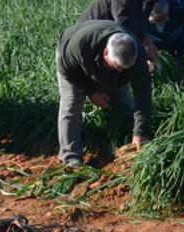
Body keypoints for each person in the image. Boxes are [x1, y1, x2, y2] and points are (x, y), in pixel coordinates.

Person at [56, 20, 153, 167]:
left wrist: (141, 133)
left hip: (103, 62)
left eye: (124, 69)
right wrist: (92, 92)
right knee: (72, 104)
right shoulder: (81, 44)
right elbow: (67, 70)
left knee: (124, 100)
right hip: (73, 65)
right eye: (116, 67)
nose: (120, 72)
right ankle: (71, 157)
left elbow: (143, 94)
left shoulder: (137, 56)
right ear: (105, 52)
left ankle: (121, 139)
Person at [80, 0, 173, 60]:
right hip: (91, 36)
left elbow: (141, 25)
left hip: (109, 36)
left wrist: (147, 43)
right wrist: (143, 46)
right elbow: (123, 23)